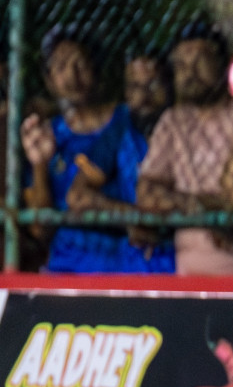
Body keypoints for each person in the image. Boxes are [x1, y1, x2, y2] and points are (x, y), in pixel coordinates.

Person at [137, 22, 233, 274]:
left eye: (200, 62)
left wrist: (180, 202)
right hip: (189, 271)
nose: (190, 73)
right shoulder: (173, 122)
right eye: (181, 66)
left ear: (222, 63)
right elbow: (147, 192)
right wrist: (203, 208)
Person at [20, 26, 129, 272]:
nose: (71, 75)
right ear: (49, 81)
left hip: (128, 258)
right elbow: (39, 230)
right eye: (60, 67)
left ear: (96, 70)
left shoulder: (125, 121)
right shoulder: (47, 134)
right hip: (67, 264)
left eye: (80, 63)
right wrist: (39, 164)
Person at [66, 49, 177, 272]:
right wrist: (132, 216)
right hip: (135, 259)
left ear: (169, 86)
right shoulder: (121, 131)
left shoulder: (185, 128)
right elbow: (77, 196)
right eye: (135, 87)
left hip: (182, 255)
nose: (144, 95)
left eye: (153, 84)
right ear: (125, 92)